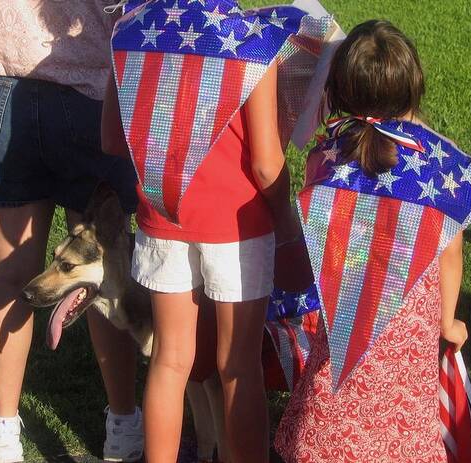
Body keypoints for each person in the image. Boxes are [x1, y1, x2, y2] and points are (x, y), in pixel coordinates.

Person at [104, 0, 343, 460]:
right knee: (239, 368)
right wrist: (288, 224)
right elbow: (267, 163)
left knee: (170, 361)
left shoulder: (128, 31)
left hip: (161, 215)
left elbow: (113, 140)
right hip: (239, 222)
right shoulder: (252, 40)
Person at [0, 2, 143, 462]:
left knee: (12, 274)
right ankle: (124, 423)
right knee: (102, 269)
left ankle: (2, 429)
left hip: (1, 96)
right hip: (94, 94)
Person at [275, 20, 471, 462]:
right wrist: (448, 322)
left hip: (345, 315)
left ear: (339, 87)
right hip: (408, 328)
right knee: (404, 417)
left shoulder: (325, 155)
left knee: (333, 396)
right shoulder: (439, 163)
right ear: (413, 86)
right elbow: (450, 252)